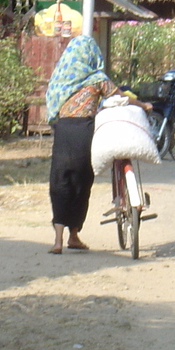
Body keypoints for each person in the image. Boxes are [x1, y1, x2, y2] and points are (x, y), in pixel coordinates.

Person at [45, 36, 118, 254]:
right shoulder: (97, 79)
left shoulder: (60, 77)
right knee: (81, 182)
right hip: (84, 132)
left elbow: (52, 105)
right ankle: (74, 236)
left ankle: (58, 240)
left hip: (62, 131)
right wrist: (142, 104)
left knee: (60, 181)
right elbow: (119, 96)